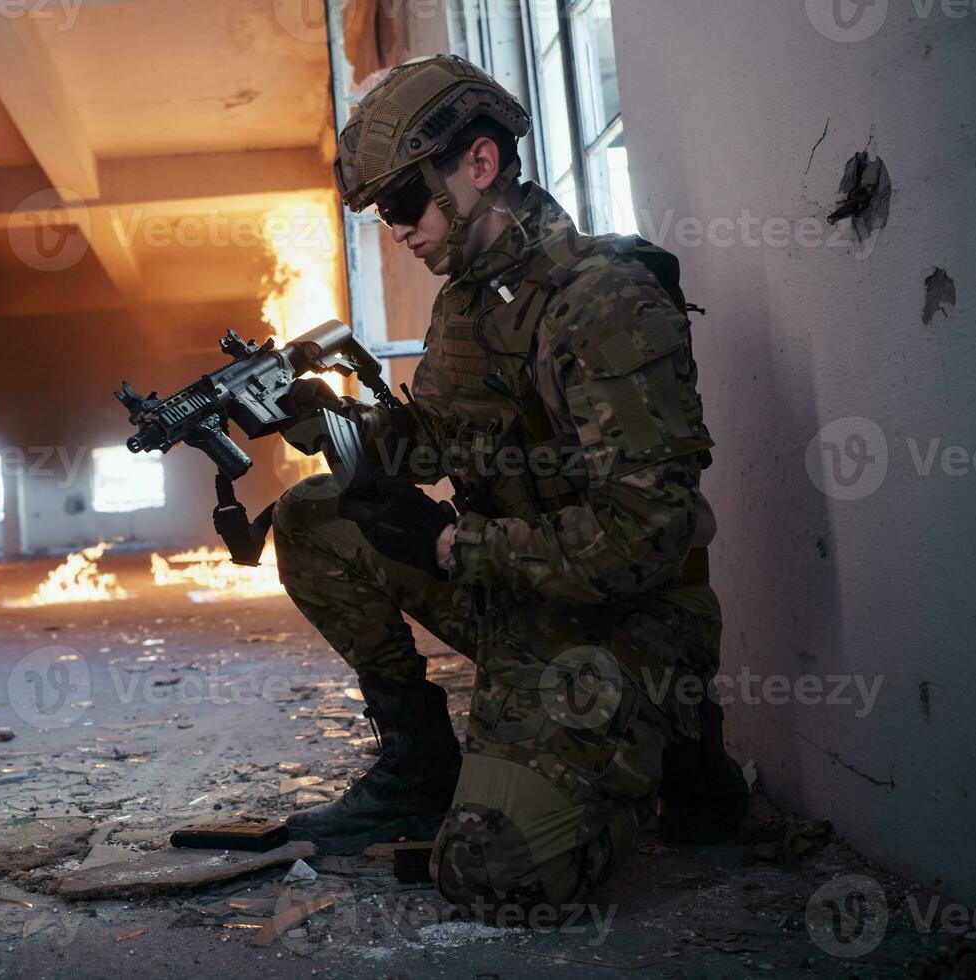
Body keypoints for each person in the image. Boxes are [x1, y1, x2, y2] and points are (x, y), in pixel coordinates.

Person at [272, 53, 747, 920]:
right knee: (315, 515)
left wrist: (453, 543)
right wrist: (331, 426)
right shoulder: (467, 301)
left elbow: (646, 533)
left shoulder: (603, 299)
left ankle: (670, 751)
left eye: (406, 204)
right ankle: (420, 767)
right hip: (520, 595)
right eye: (385, 214)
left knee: (496, 874)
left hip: (622, 623)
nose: (399, 230)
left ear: (479, 165)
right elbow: (438, 443)